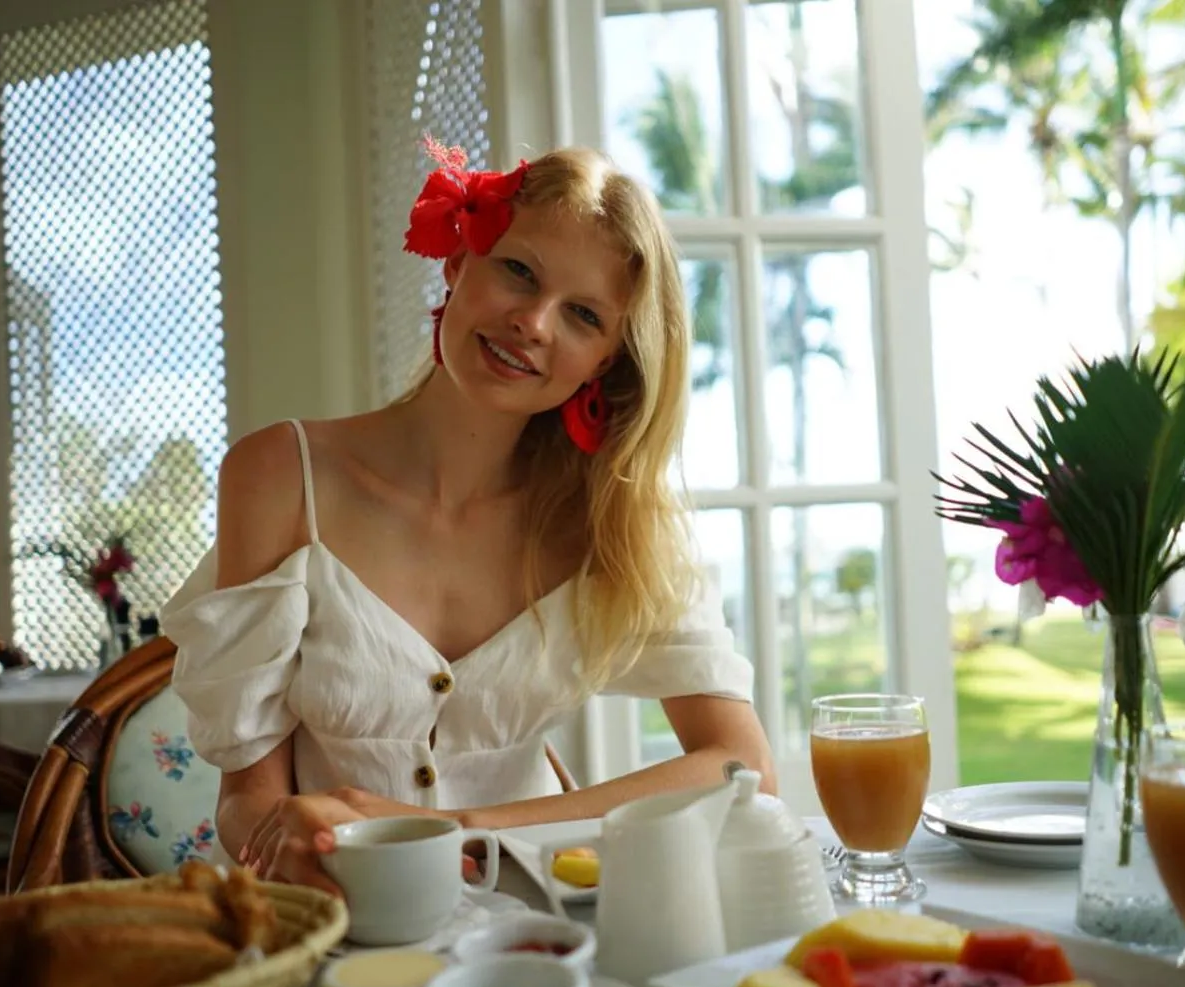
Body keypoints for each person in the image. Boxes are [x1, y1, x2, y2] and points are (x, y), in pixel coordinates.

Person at [161, 142, 776, 895]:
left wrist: (460, 831)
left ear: (605, 362)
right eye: (518, 270)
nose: (534, 322)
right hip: (328, 917)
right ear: (458, 263)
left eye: (582, 315)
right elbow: (246, 797)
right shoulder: (279, 477)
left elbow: (741, 768)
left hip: (542, 927)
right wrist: (282, 840)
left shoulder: (617, 519)